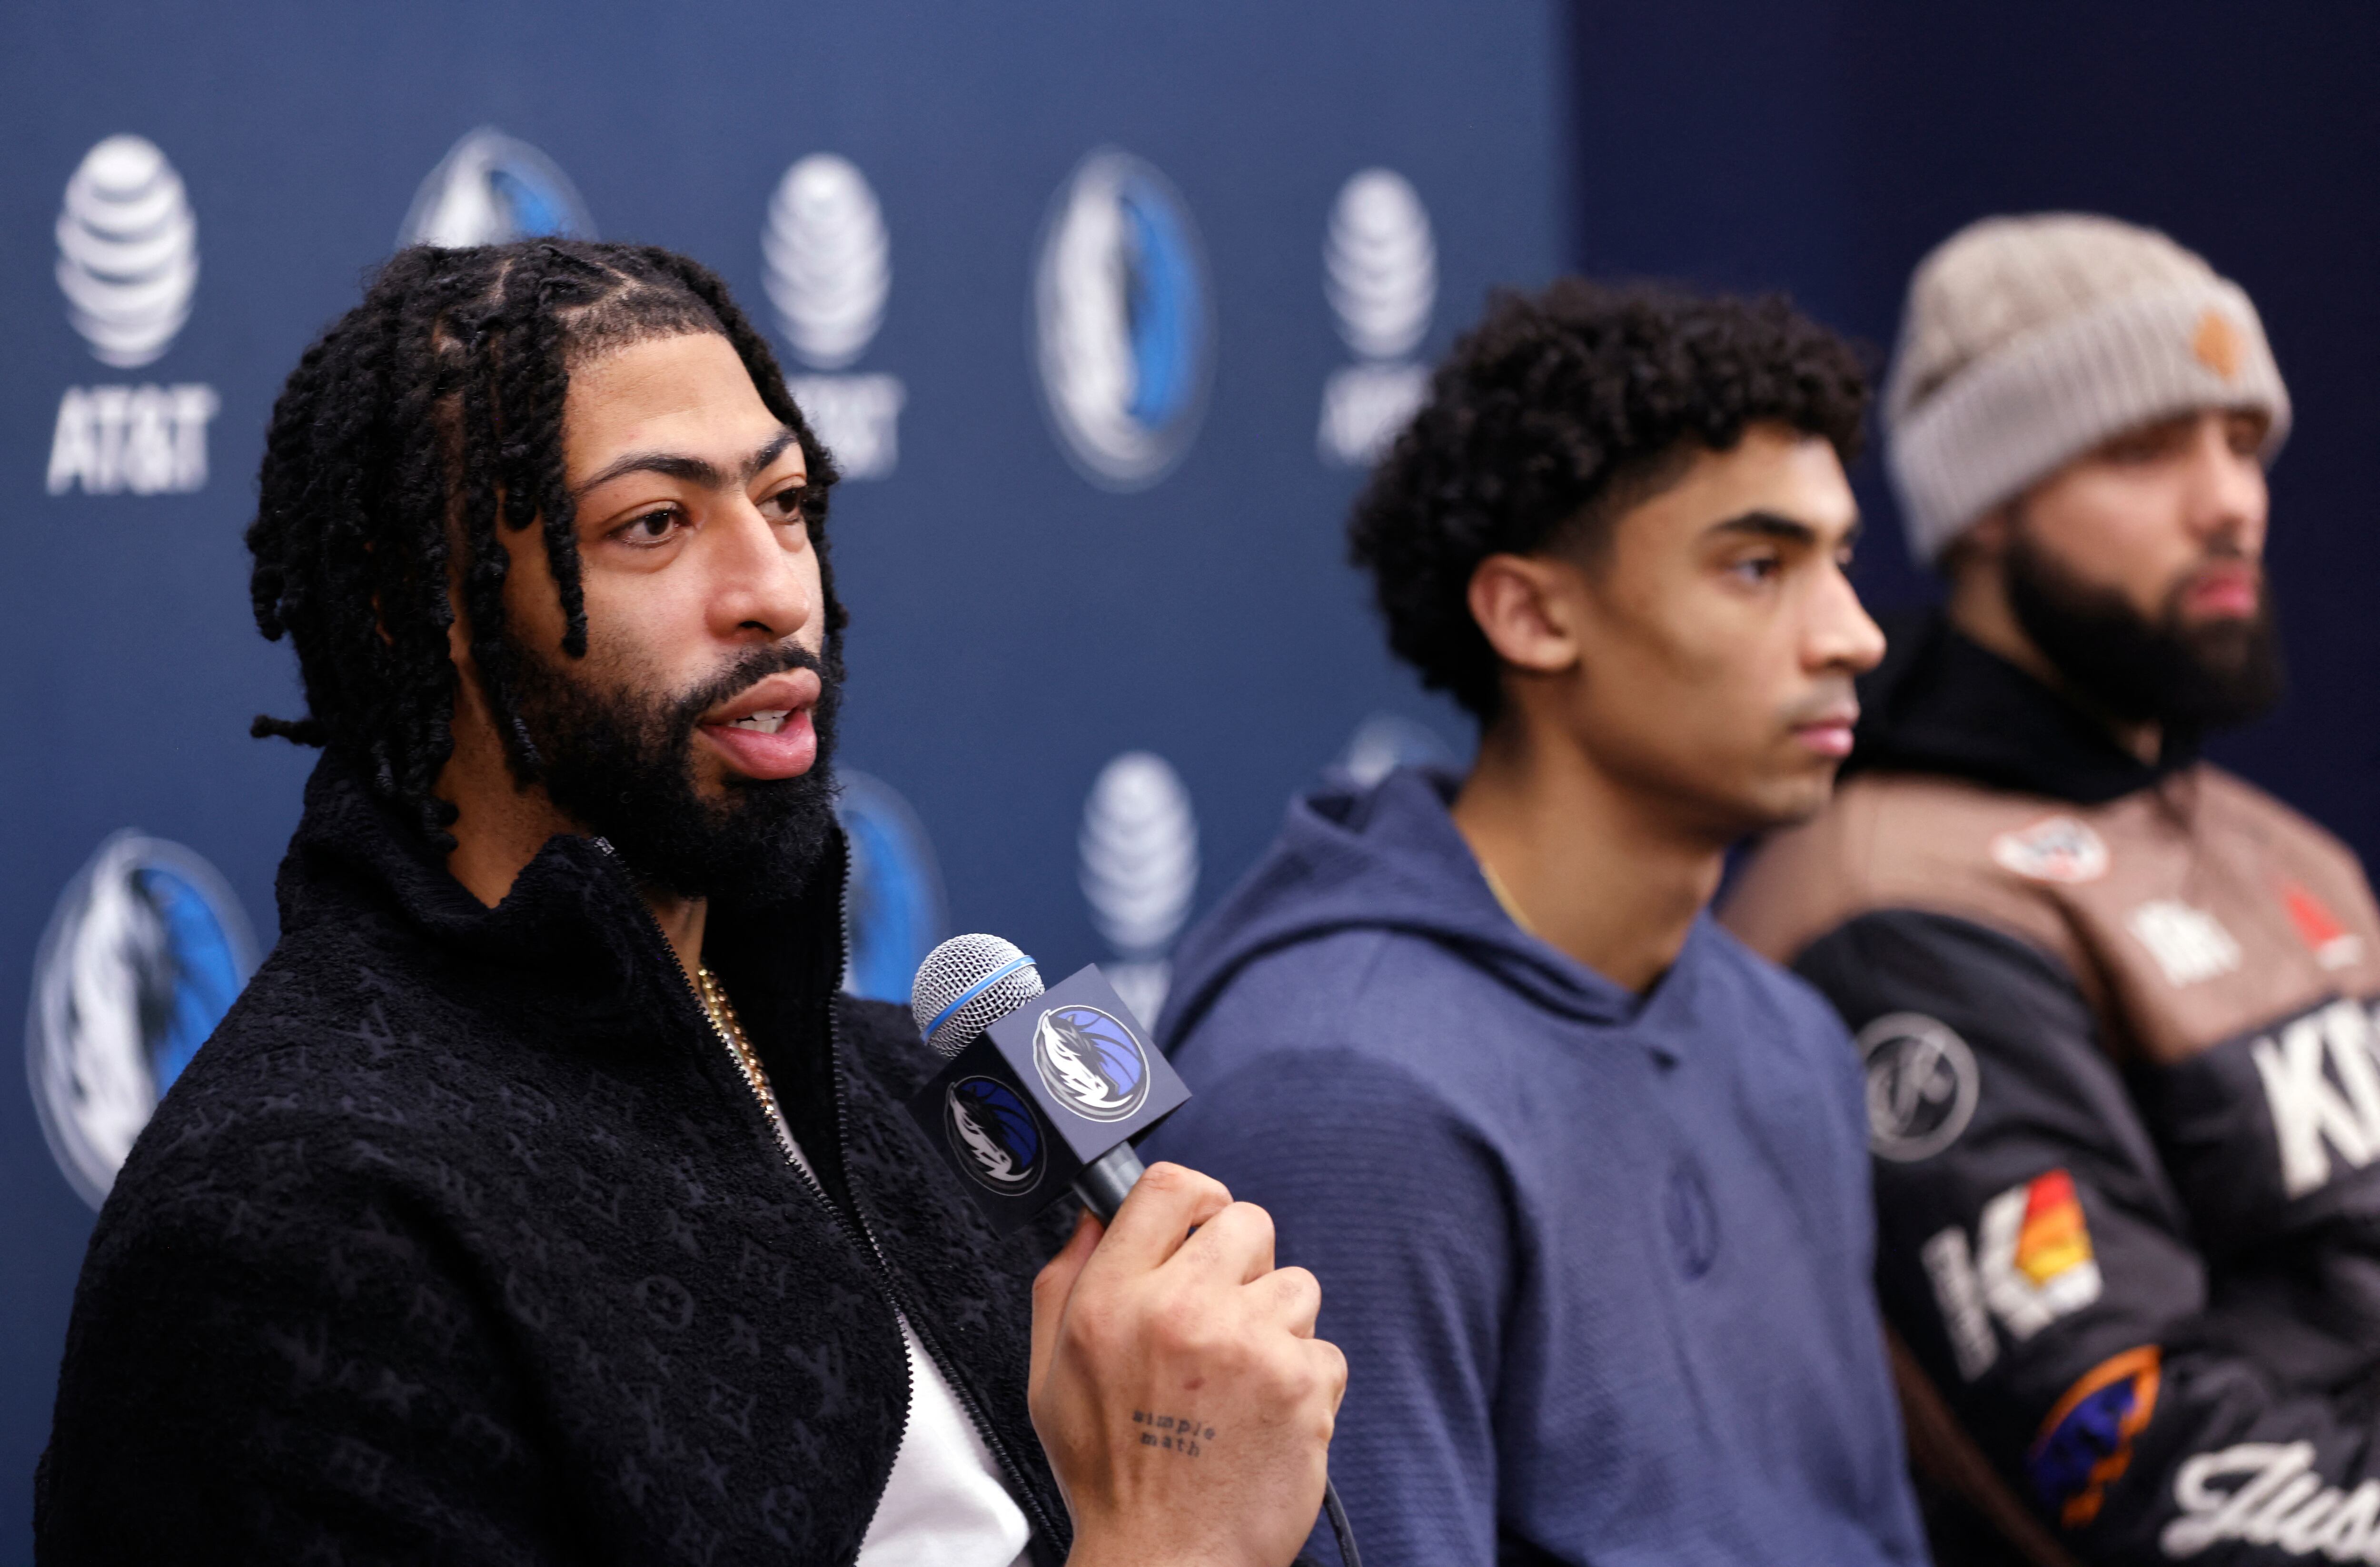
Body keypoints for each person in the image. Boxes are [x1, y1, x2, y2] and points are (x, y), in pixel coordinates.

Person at [34, 239, 1344, 1567]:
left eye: (786, 502)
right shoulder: (293, 1217)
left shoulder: (925, 1083)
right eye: (655, 524)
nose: (775, 592)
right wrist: (1166, 1542)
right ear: (415, 607)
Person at [1143, 278, 1928, 1564]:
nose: (1853, 635)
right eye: (1757, 567)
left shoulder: (1788, 1034)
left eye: (1839, 562)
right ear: (1532, 614)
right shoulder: (1344, 1092)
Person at [1721, 214, 2380, 1566]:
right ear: (1988, 504)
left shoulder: (2285, 850)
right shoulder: (1895, 911)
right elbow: (2132, 1458)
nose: (2231, 502)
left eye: (2243, 443)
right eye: (2146, 450)